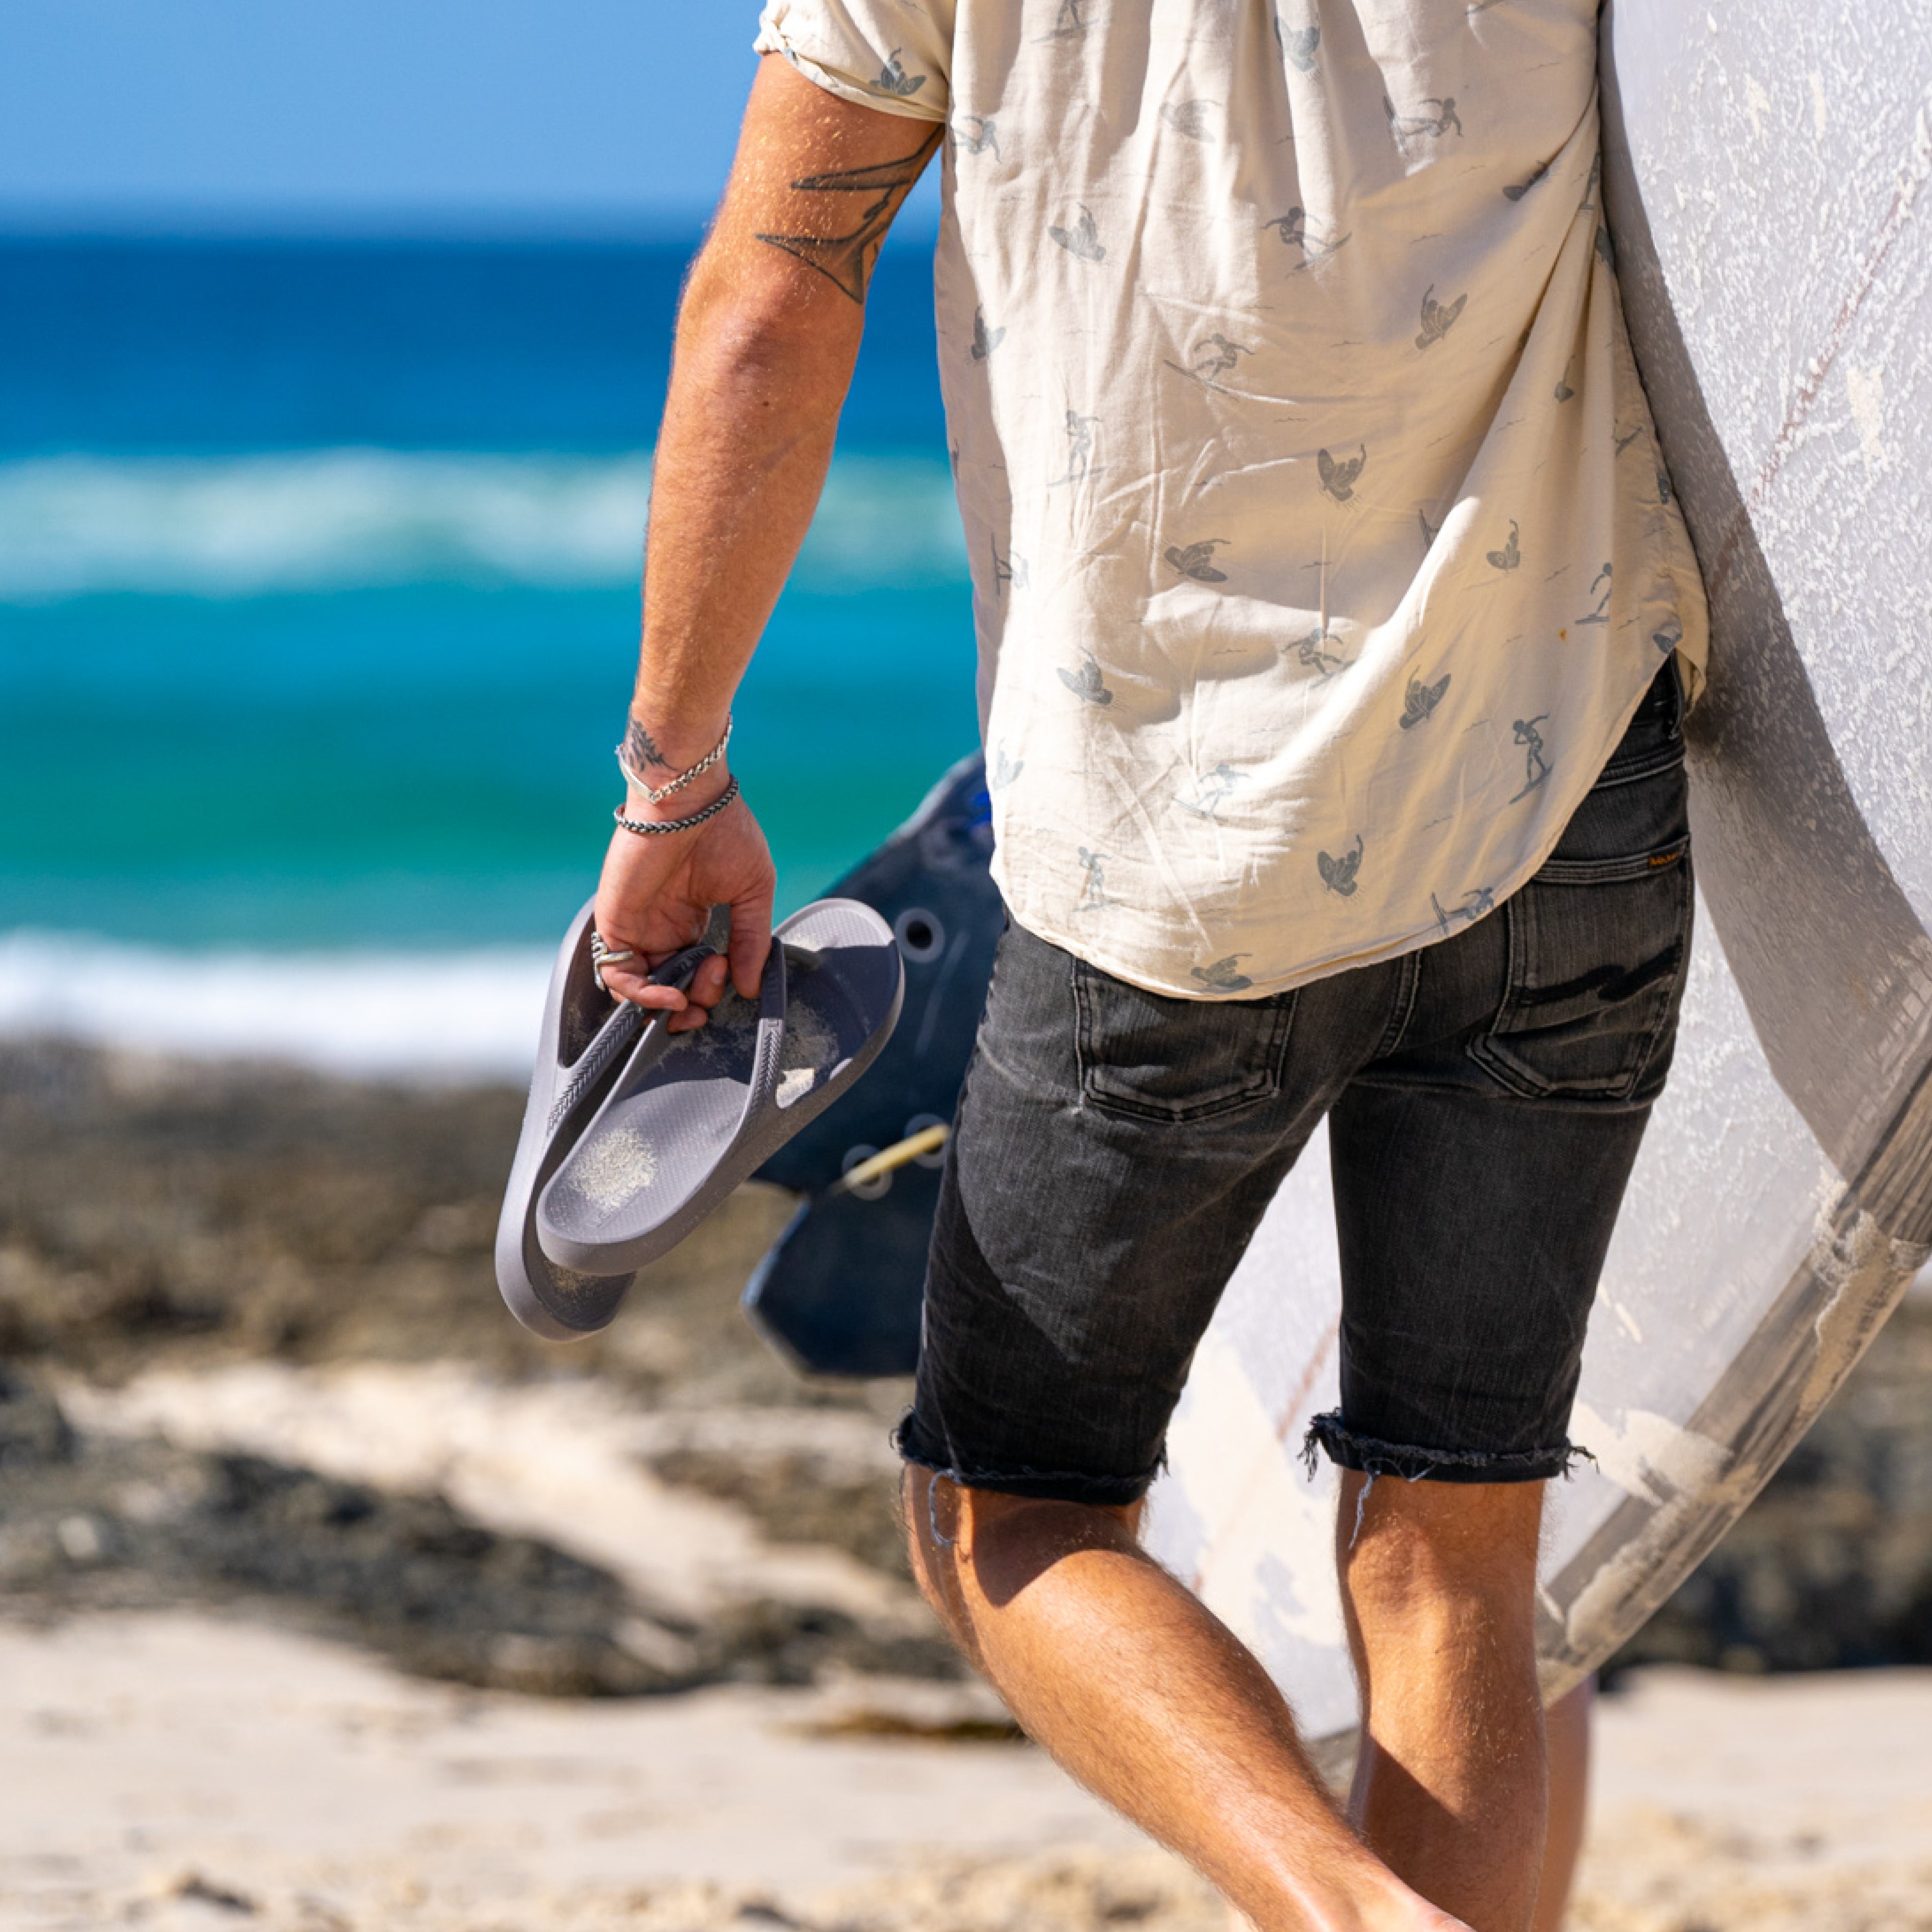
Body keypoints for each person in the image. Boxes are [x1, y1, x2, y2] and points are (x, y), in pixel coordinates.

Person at [590, 6, 1706, 1929]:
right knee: (1453, 1549)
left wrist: (674, 779)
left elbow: (775, 293)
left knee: (1005, 1504)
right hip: (1565, 776)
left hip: (1166, 854)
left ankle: (1354, 1915)